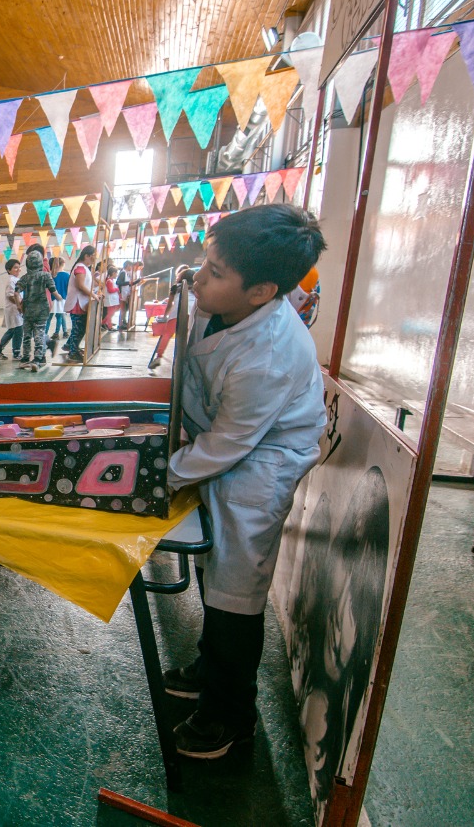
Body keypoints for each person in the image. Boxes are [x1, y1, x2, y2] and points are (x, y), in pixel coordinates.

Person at [160, 204, 328, 759]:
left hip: (264, 461)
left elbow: (233, 442)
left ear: (260, 291)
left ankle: (230, 717)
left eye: (215, 273)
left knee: (237, 584)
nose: (200, 278)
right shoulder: (222, 306)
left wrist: (162, 475)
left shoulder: (270, 353)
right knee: (216, 566)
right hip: (225, 442)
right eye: (204, 264)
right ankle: (210, 667)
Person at [15, 246, 61, 370]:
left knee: (27, 335)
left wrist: (19, 306)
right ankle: (37, 359)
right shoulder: (45, 275)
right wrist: (60, 298)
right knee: (39, 334)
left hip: (28, 309)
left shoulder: (25, 277)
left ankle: (25, 359)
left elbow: (16, 292)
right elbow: (53, 291)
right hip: (42, 309)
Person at [63, 246, 96, 362]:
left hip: (82, 302)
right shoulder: (80, 268)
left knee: (80, 328)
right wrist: (94, 295)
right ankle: (72, 352)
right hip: (77, 303)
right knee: (78, 329)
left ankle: (73, 348)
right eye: (93, 256)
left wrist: (94, 292)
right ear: (86, 256)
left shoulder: (85, 268)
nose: (94, 259)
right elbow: (81, 286)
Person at [0, 258, 23, 359]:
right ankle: (16, 352)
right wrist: (20, 305)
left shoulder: (16, 279)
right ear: (9, 270)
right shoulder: (11, 280)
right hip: (13, 309)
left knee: (12, 331)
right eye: (15, 268)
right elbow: (10, 295)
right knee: (18, 330)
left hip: (14, 309)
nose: (18, 269)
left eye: (19, 267)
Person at [51, 255, 70, 338]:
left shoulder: (52, 275)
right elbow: (68, 287)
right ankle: (57, 332)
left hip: (53, 298)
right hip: (63, 298)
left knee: (58, 315)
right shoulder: (67, 275)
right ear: (63, 264)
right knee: (60, 315)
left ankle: (64, 331)